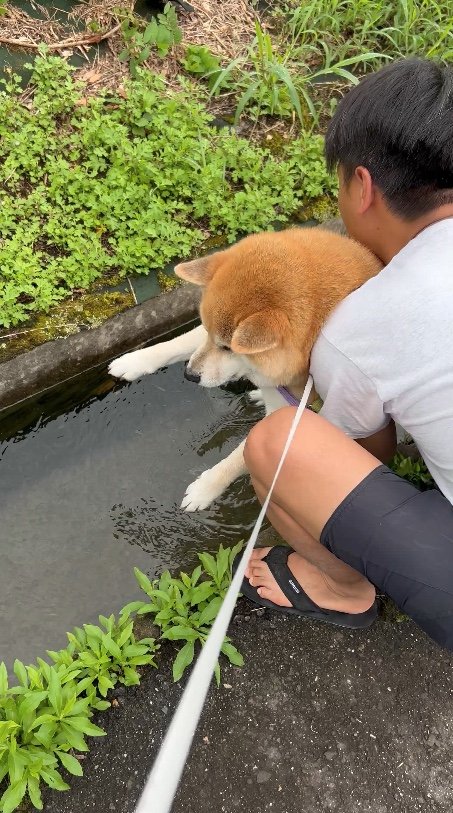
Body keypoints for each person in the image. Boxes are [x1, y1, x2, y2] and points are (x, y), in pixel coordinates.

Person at [240, 58, 453, 650]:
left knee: (279, 446)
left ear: (362, 186)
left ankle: (342, 588)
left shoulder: (360, 326)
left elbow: (363, 452)